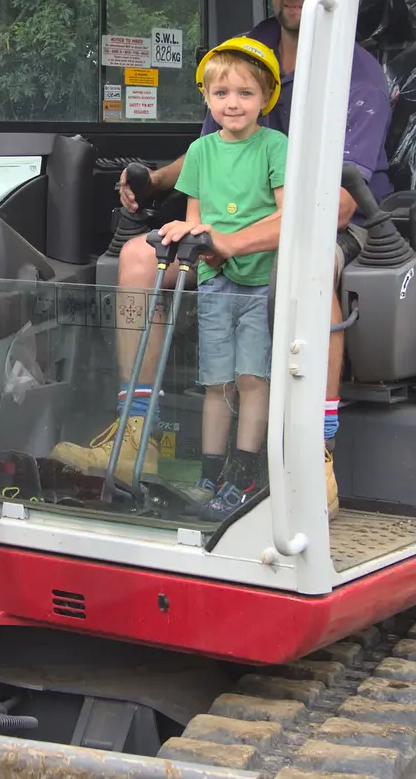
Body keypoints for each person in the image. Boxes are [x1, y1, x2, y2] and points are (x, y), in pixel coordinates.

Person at [48, 0, 392, 516]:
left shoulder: (358, 73)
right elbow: (216, 148)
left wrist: (230, 241)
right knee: (136, 257)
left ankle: (318, 454)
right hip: (234, 227)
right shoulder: (250, 50)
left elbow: (334, 202)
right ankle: (138, 434)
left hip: (330, 217)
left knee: (309, 273)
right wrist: (152, 183)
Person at [152, 36, 288, 521]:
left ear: (266, 98)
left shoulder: (275, 147)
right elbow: (195, 217)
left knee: (252, 378)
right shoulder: (201, 150)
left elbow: (284, 214)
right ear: (207, 98)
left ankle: (245, 473)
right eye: (222, 93)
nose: (233, 103)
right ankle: (209, 473)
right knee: (216, 382)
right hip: (214, 282)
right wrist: (182, 239)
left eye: (246, 93)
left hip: (260, 282)